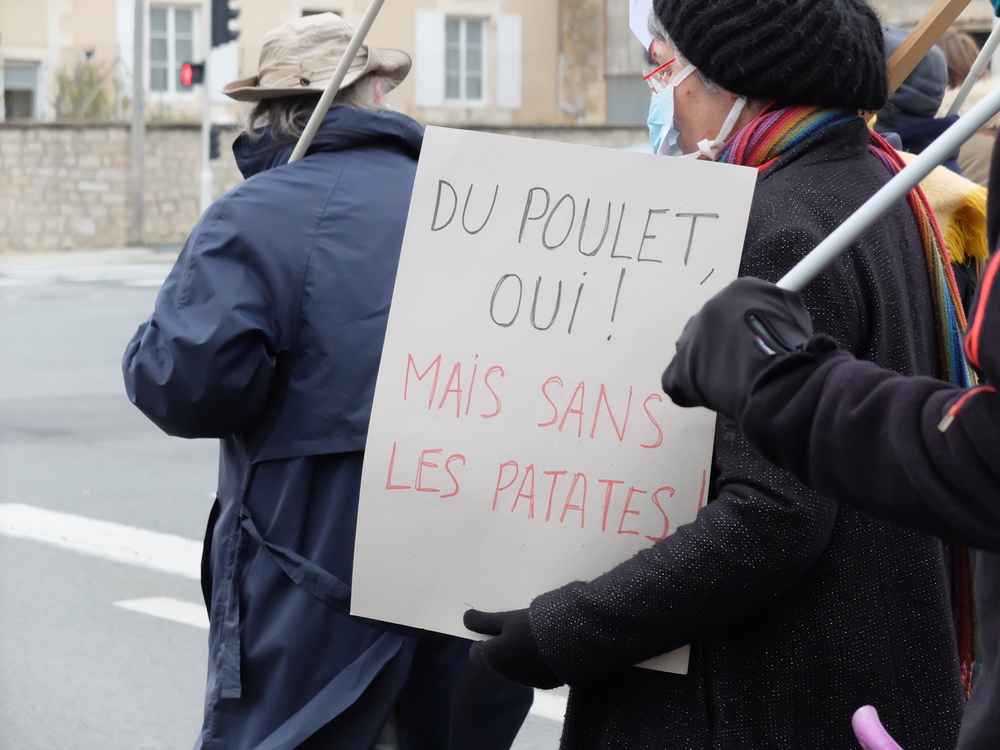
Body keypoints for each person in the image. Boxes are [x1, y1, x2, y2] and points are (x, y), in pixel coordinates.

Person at [464, 2, 969, 748]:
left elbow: (770, 516)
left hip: (763, 693)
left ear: (736, 79)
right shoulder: (871, 180)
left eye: (665, 67)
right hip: (851, 673)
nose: (662, 95)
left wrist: (562, 631)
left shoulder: (778, 222)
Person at [122, 13, 532, 750]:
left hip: (310, 585)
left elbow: (188, 387)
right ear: (374, 94)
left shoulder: (253, 217)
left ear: (267, 112)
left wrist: (146, 346)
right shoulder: (480, 208)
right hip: (471, 570)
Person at [659, 194, 1000, 750]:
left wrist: (785, 386)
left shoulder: (788, 215)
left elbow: (773, 513)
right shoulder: (880, 188)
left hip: (802, 672)